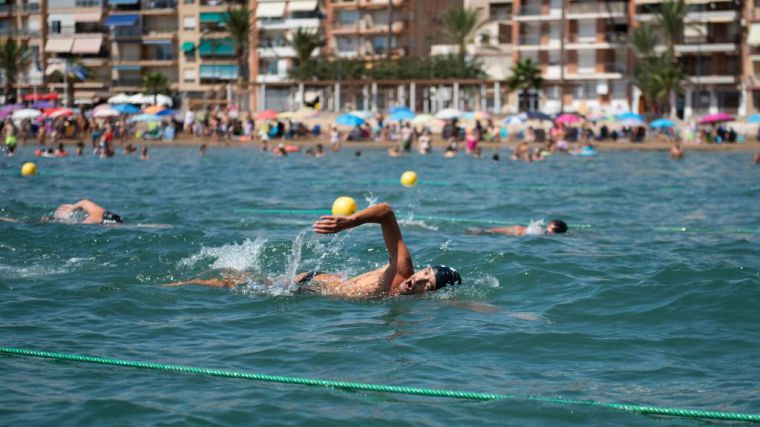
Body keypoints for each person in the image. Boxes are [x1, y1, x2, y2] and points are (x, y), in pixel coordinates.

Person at [166, 204, 462, 298]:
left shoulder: (406, 299)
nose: (418, 281)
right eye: (424, 274)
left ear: (430, 295)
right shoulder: (403, 270)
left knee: (242, 278)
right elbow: (386, 212)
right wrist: (349, 222)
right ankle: (180, 285)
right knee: (230, 284)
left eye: (427, 285)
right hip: (311, 285)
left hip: (318, 286)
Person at [53, 199, 123, 225]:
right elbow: (84, 202)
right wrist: (72, 208)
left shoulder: (88, 220)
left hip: (102, 221)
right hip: (112, 216)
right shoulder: (95, 209)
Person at [469, 219, 568, 236]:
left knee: (490, 231)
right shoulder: (544, 232)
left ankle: (479, 231)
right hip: (519, 231)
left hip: (519, 231)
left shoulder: (545, 233)